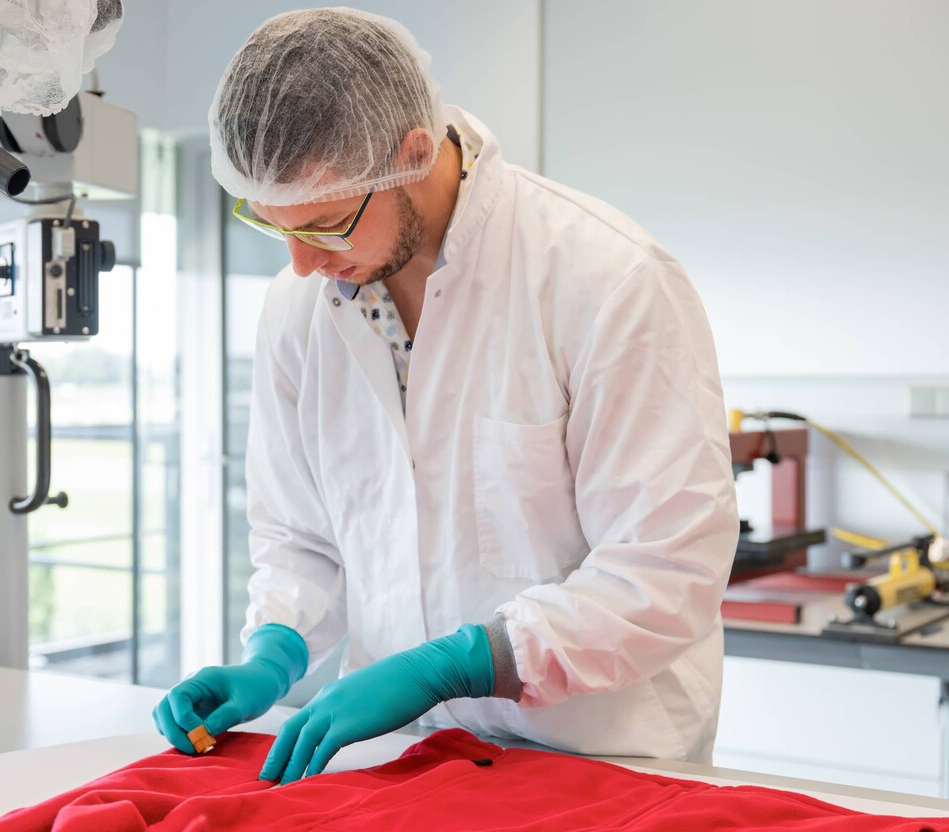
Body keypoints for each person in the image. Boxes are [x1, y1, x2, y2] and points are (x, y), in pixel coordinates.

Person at [152, 7, 739, 785]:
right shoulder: (300, 310)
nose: (299, 264)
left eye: (325, 225)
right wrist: (275, 651)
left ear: (414, 153)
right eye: (273, 226)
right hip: (407, 759)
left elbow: (667, 568)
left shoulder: (606, 279)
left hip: (603, 760)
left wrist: (464, 661)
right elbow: (302, 536)